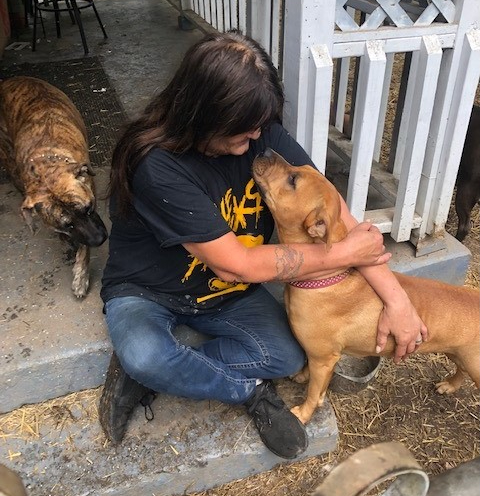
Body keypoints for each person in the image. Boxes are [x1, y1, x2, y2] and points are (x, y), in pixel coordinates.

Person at [98, 30, 427, 459]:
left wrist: (398, 303)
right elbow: (235, 265)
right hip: (148, 291)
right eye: (241, 128)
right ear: (200, 114)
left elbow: (342, 219)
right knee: (144, 353)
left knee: (288, 357)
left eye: (260, 124)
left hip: (224, 297)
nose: (255, 137)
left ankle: (167, 371)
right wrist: (338, 254)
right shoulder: (155, 165)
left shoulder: (259, 133)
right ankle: (244, 391)